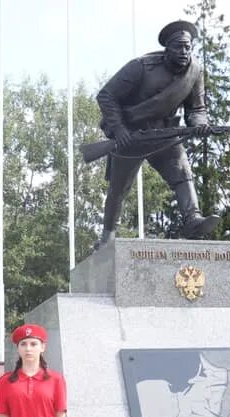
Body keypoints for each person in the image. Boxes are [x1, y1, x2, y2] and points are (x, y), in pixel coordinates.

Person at [94, 19, 219, 247]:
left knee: (182, 173)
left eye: (188, 47)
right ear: (167, 49)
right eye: (179, 47)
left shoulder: (195, 71)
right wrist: (119, 129)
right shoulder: (141, 67)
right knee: (118, 189)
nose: (184, 52)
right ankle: (108, 235)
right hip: (132, 135)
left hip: (165, 135)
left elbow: (197, 109)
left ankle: (192, 220)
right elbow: (106, 96)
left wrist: (200, 123)